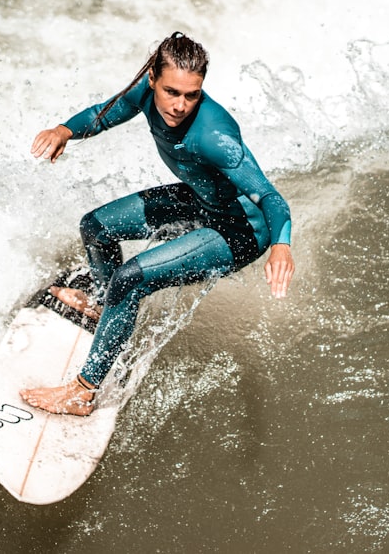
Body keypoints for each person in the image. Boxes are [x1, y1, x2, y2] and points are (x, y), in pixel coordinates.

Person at [20, 32, 294, 416]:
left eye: (192, 95)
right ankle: (105, 305)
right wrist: (65, 130)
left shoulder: (216, 137)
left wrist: (281, 245)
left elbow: (269, 197)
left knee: (130, 277)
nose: (180, 106)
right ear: (152, 78)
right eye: (172, 92)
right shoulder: (145, 94)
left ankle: (82, 392)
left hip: (238, 232)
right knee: (95, 228)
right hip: (202, 200)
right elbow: (105, 112)